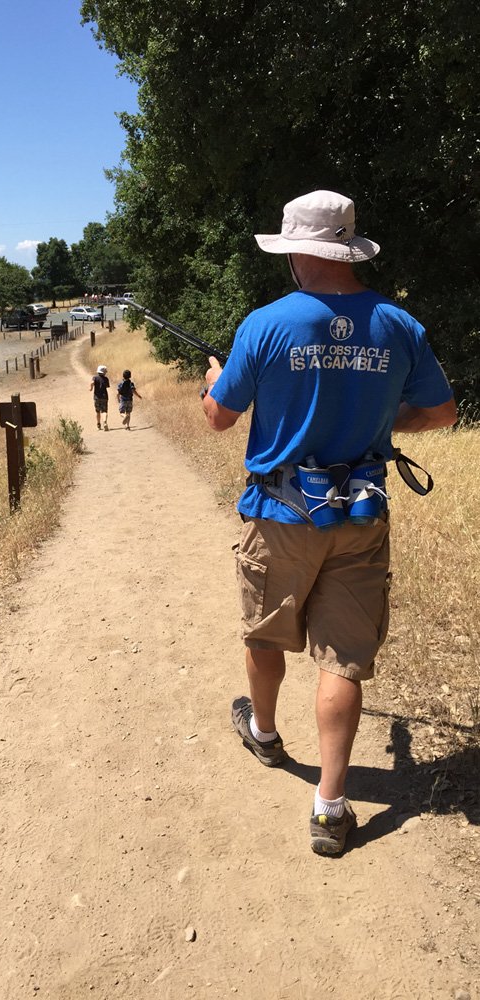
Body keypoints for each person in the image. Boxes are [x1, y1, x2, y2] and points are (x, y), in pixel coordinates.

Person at [202, 190, 457, 856]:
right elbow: (442, 413)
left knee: (265, 632)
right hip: (361, 514)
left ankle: (263, 733)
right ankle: (330, 808)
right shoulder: (399, 325)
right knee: (342, 659)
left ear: (298, 253)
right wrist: (385, 423)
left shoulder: (266, 325)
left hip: (279, 514)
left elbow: (219, 417)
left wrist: (213, 381)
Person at [90, 364, 110, 430]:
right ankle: (105, 422)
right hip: (104, 397)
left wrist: (91, 388)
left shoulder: (95, 377)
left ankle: (98, 424)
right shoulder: (106, 379)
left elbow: (92, 383)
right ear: (103, 372)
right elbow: (107, 386)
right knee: (104, 411)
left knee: (97, 411)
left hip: (97, 397)